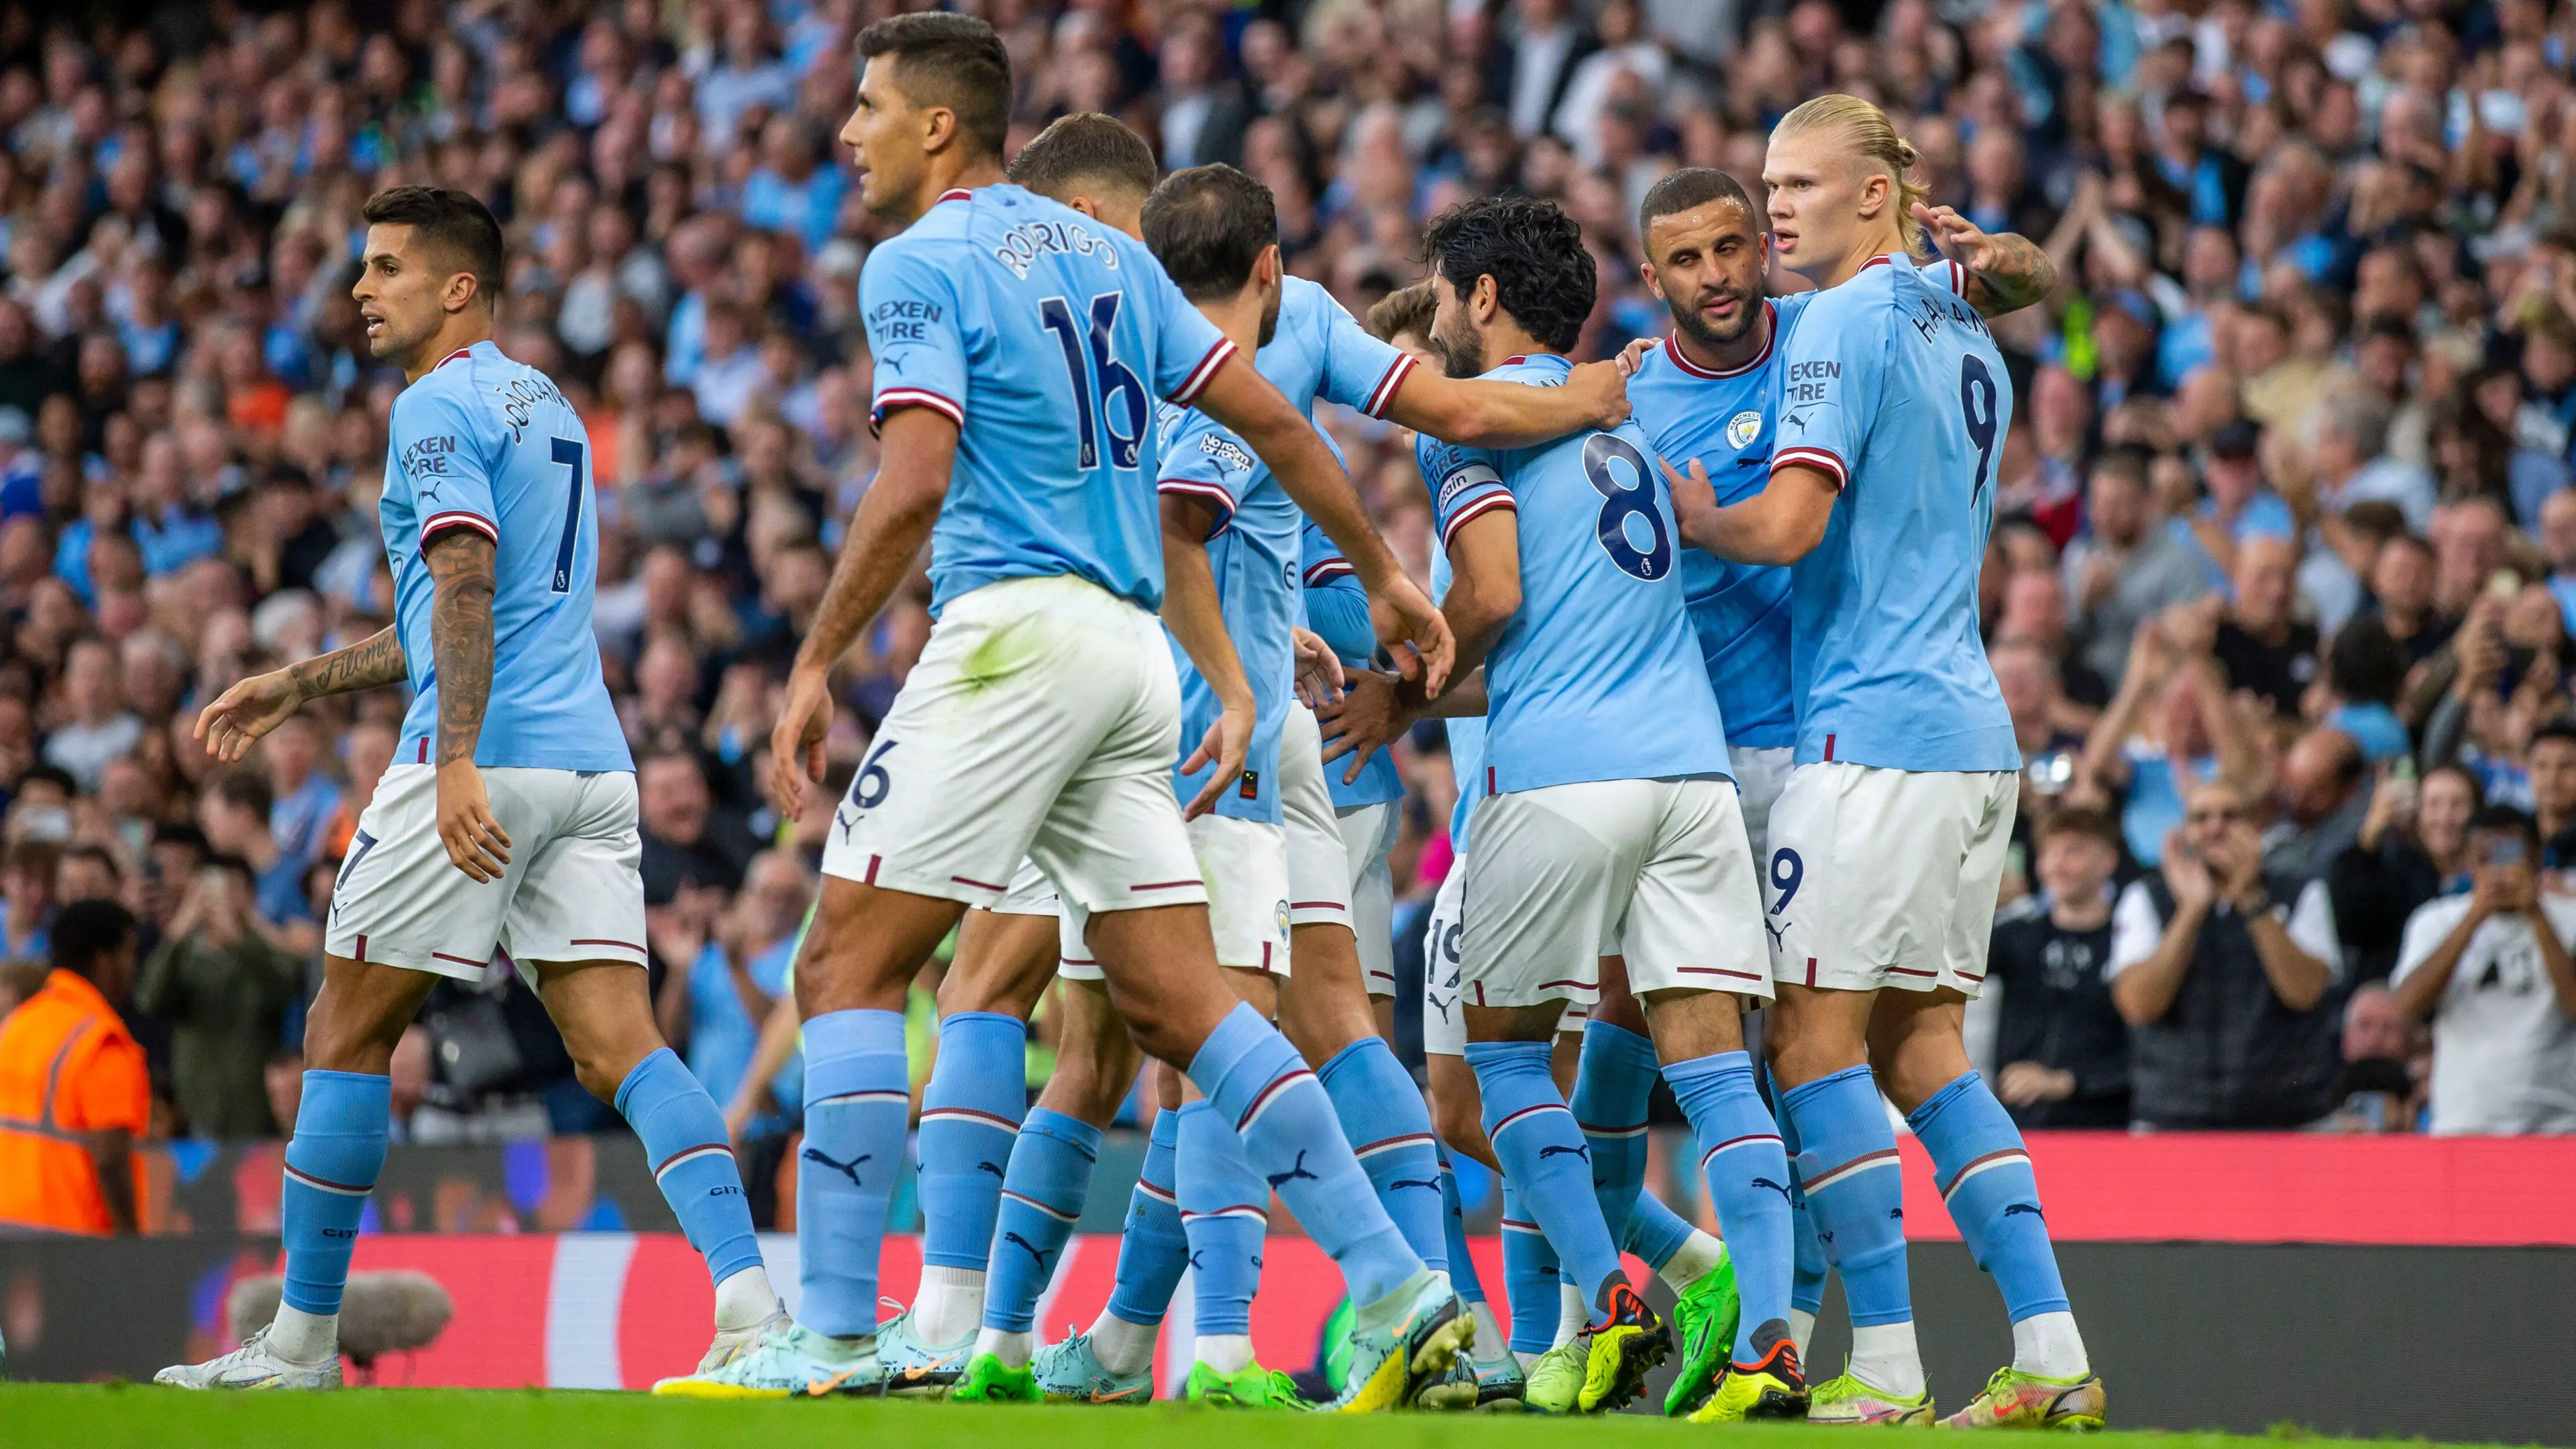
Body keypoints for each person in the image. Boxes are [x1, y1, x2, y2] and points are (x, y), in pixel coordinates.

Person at [669, 16, 1462, 1409]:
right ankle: (1402, 1287)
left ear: (938, 126)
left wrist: (812, 660)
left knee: (841, 966)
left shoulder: (918, 262)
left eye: (865, 109)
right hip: (1128, 651)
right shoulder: (1114, 258)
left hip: (1014, 634)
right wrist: (1387, 571)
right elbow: (1278, 421)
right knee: (1180, 996)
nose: (843, 135)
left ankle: (843, 1338)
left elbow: (915, 480)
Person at [908, 117, 1630, 1408]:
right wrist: (1595, 391)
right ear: (1273, 260)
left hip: (1174, 728)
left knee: (1138, 1041)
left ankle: (1096, 1339)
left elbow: (1178, 524)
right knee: (1329, 1023)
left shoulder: (1130, 346)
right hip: (1264, 723)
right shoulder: (1295, 321)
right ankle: (1375, 1312)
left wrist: (1241, 665)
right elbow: (1417, 416)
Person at [160, 185, 781, 1391]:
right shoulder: (544, 401)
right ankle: (752, 1305)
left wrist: (449, 761)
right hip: (592, 765)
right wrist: (300, 680)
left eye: (385, 266)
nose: (360, 288)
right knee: (622, 1047)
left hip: (487, 758)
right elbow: (454, 610)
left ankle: (299, 1346)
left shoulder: (434, 404)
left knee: (347, 1027)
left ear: (457, 287)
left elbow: (466, 584)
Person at [1664, 95, 2103, 1428]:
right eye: (1768, 183)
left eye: (1801, 185)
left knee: (1809, 1044)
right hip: (1971, 745)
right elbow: (2023, 273)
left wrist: (1694, 515)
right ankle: (2051, 1357)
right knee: (1923, 1053)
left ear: (1875, 196)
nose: (1775, 207)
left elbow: (1791, 527)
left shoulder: (1847, 322)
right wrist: (2011, 255)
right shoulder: (1961, 320)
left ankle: (1889, 1368)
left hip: (1868, 739)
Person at [1327, 193, 1799, 1422]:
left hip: (1557, 776)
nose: (1437, 318)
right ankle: (1768, 1345)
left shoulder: (1472, 433)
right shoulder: (1624, 423)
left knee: (1496, 1059)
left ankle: (1613, 1293)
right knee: (1716, 1078)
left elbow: (1489, 590)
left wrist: (1403, 688)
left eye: (1442, 295)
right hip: (1689, 776)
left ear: (1481, 299)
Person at [2108, 778, 2345, 1128]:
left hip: (2288, 1119)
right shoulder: (2145, 898)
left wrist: (2251, 898)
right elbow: (2139, 1005)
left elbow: (2305, 993)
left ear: (2256, 827)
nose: (2215, 827)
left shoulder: (2302, 893)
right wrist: (2191, 910)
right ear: (2184, 832)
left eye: (2230, 816)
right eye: (2201, 818)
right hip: (2172, 1120)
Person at [2388, 806, 2576, 1134]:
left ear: (2537, 856)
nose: (2499, 870)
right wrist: (2475, 917)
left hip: (2556, 1124)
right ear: (2467, 862)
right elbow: (2406, 1005)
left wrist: (2536, 914)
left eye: (2509, 856)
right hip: (2464, 1123)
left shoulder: (2569, 918)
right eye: (2485, 858)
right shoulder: (2435, 921)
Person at [131, 855, 308, 1137]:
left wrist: (241, 938)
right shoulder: (183, 958)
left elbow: (287, 986)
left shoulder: (265, 952)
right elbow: (149, 999)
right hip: (195, 1109)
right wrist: (180, 929)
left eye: (232, 890)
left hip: (255, 1111)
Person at [0, 900, 147, 1236]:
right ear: (103, 961)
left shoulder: (17, 1026)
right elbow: (111, 1162)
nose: (134, 968)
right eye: (129, 953)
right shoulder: (100, 1042)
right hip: (70, 1246)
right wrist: (132, 1247)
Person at [1984, 809, 2133, 1128]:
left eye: (2073, 850)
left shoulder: (2131, 941)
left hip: (2104, 1128)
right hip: (2016, 1126)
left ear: (2108, 859)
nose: (2056, 865)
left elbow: (2152, 1048)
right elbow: (1944, 966)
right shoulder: (2016, 936)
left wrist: (2067, 1082)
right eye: (2048, 852)